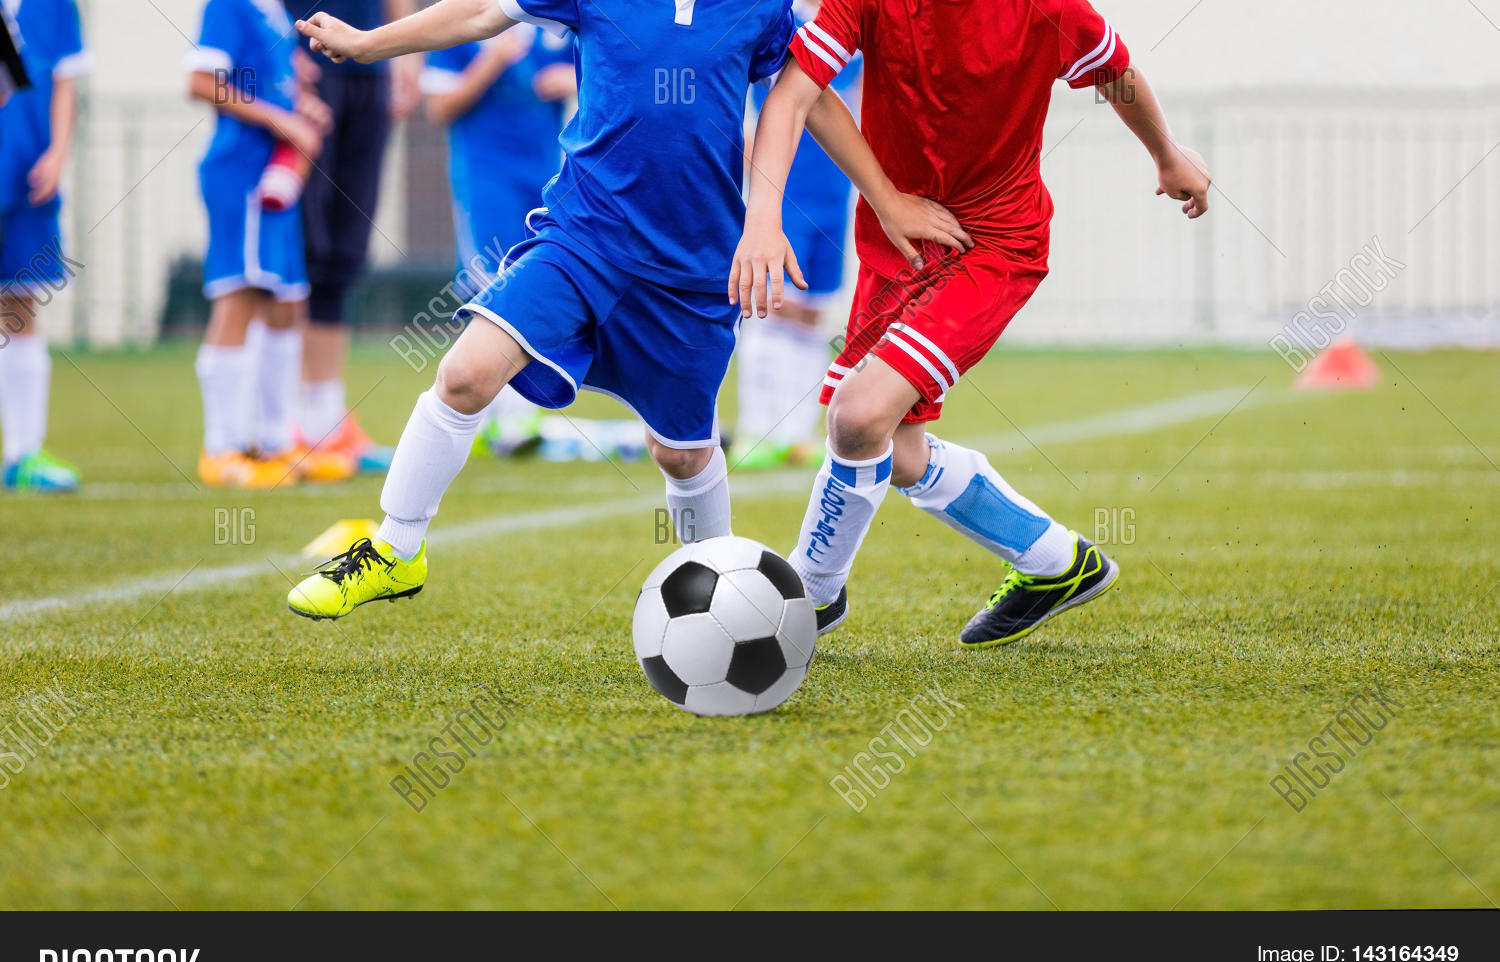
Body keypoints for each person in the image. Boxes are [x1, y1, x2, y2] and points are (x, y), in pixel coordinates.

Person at [282, 0, 966, 620]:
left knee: (682, 453)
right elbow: (486, 14)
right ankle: (396, 549)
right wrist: (372, 43)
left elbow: (809, 99)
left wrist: (883, 197)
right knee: (466, 374)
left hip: (691, 272)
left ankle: (719, 601)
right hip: (584, 237)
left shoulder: (761, 8)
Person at [732, 0, 1211, 646]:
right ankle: (1055, 561)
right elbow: (793, 94)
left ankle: (807, 598)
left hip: (991, 245)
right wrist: (767, 216)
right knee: (891, 450)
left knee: (855, 415)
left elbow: (1115, 70)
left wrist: (1167, 154)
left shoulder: (1047, 8)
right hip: (898, 238)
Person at [187, 0, 348, 487]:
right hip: (243, 172)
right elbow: (200, 81)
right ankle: (222, 447)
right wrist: (283, 122)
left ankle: (276, 442)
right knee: (241, 295)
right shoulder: (229, 5)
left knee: (286, 302)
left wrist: (300, 107)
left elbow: (270, 84)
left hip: (276, 175)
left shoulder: (273, 10)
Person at [421, 23, 573, 458]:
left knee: (536, 284)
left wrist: (569, 80)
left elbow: (595, 75)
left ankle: (516, 413)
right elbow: (439, 109)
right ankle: (502, 418)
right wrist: (492, 61)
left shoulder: (547, 23)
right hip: (485, 177)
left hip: (545, 175)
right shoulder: (460, 25)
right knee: (493, 285)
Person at [286, 0, 420, 476]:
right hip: (307, 53)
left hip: (370, 59)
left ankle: (325, 420)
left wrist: (408, 58)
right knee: (304, 246)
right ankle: (284, 421)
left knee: (345, 248)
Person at [732, 0, 859, 472]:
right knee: (768, 302)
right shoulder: (775, 20)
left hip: (834, 190)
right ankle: (755, 429)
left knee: (810, 310)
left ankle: (793, 434)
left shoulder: (850, 25)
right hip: (783, 188)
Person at [0, 0, 88, 493]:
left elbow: (65, 81)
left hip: (28, 173)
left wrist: (57, 153)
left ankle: (23, 453)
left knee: (19, 302)